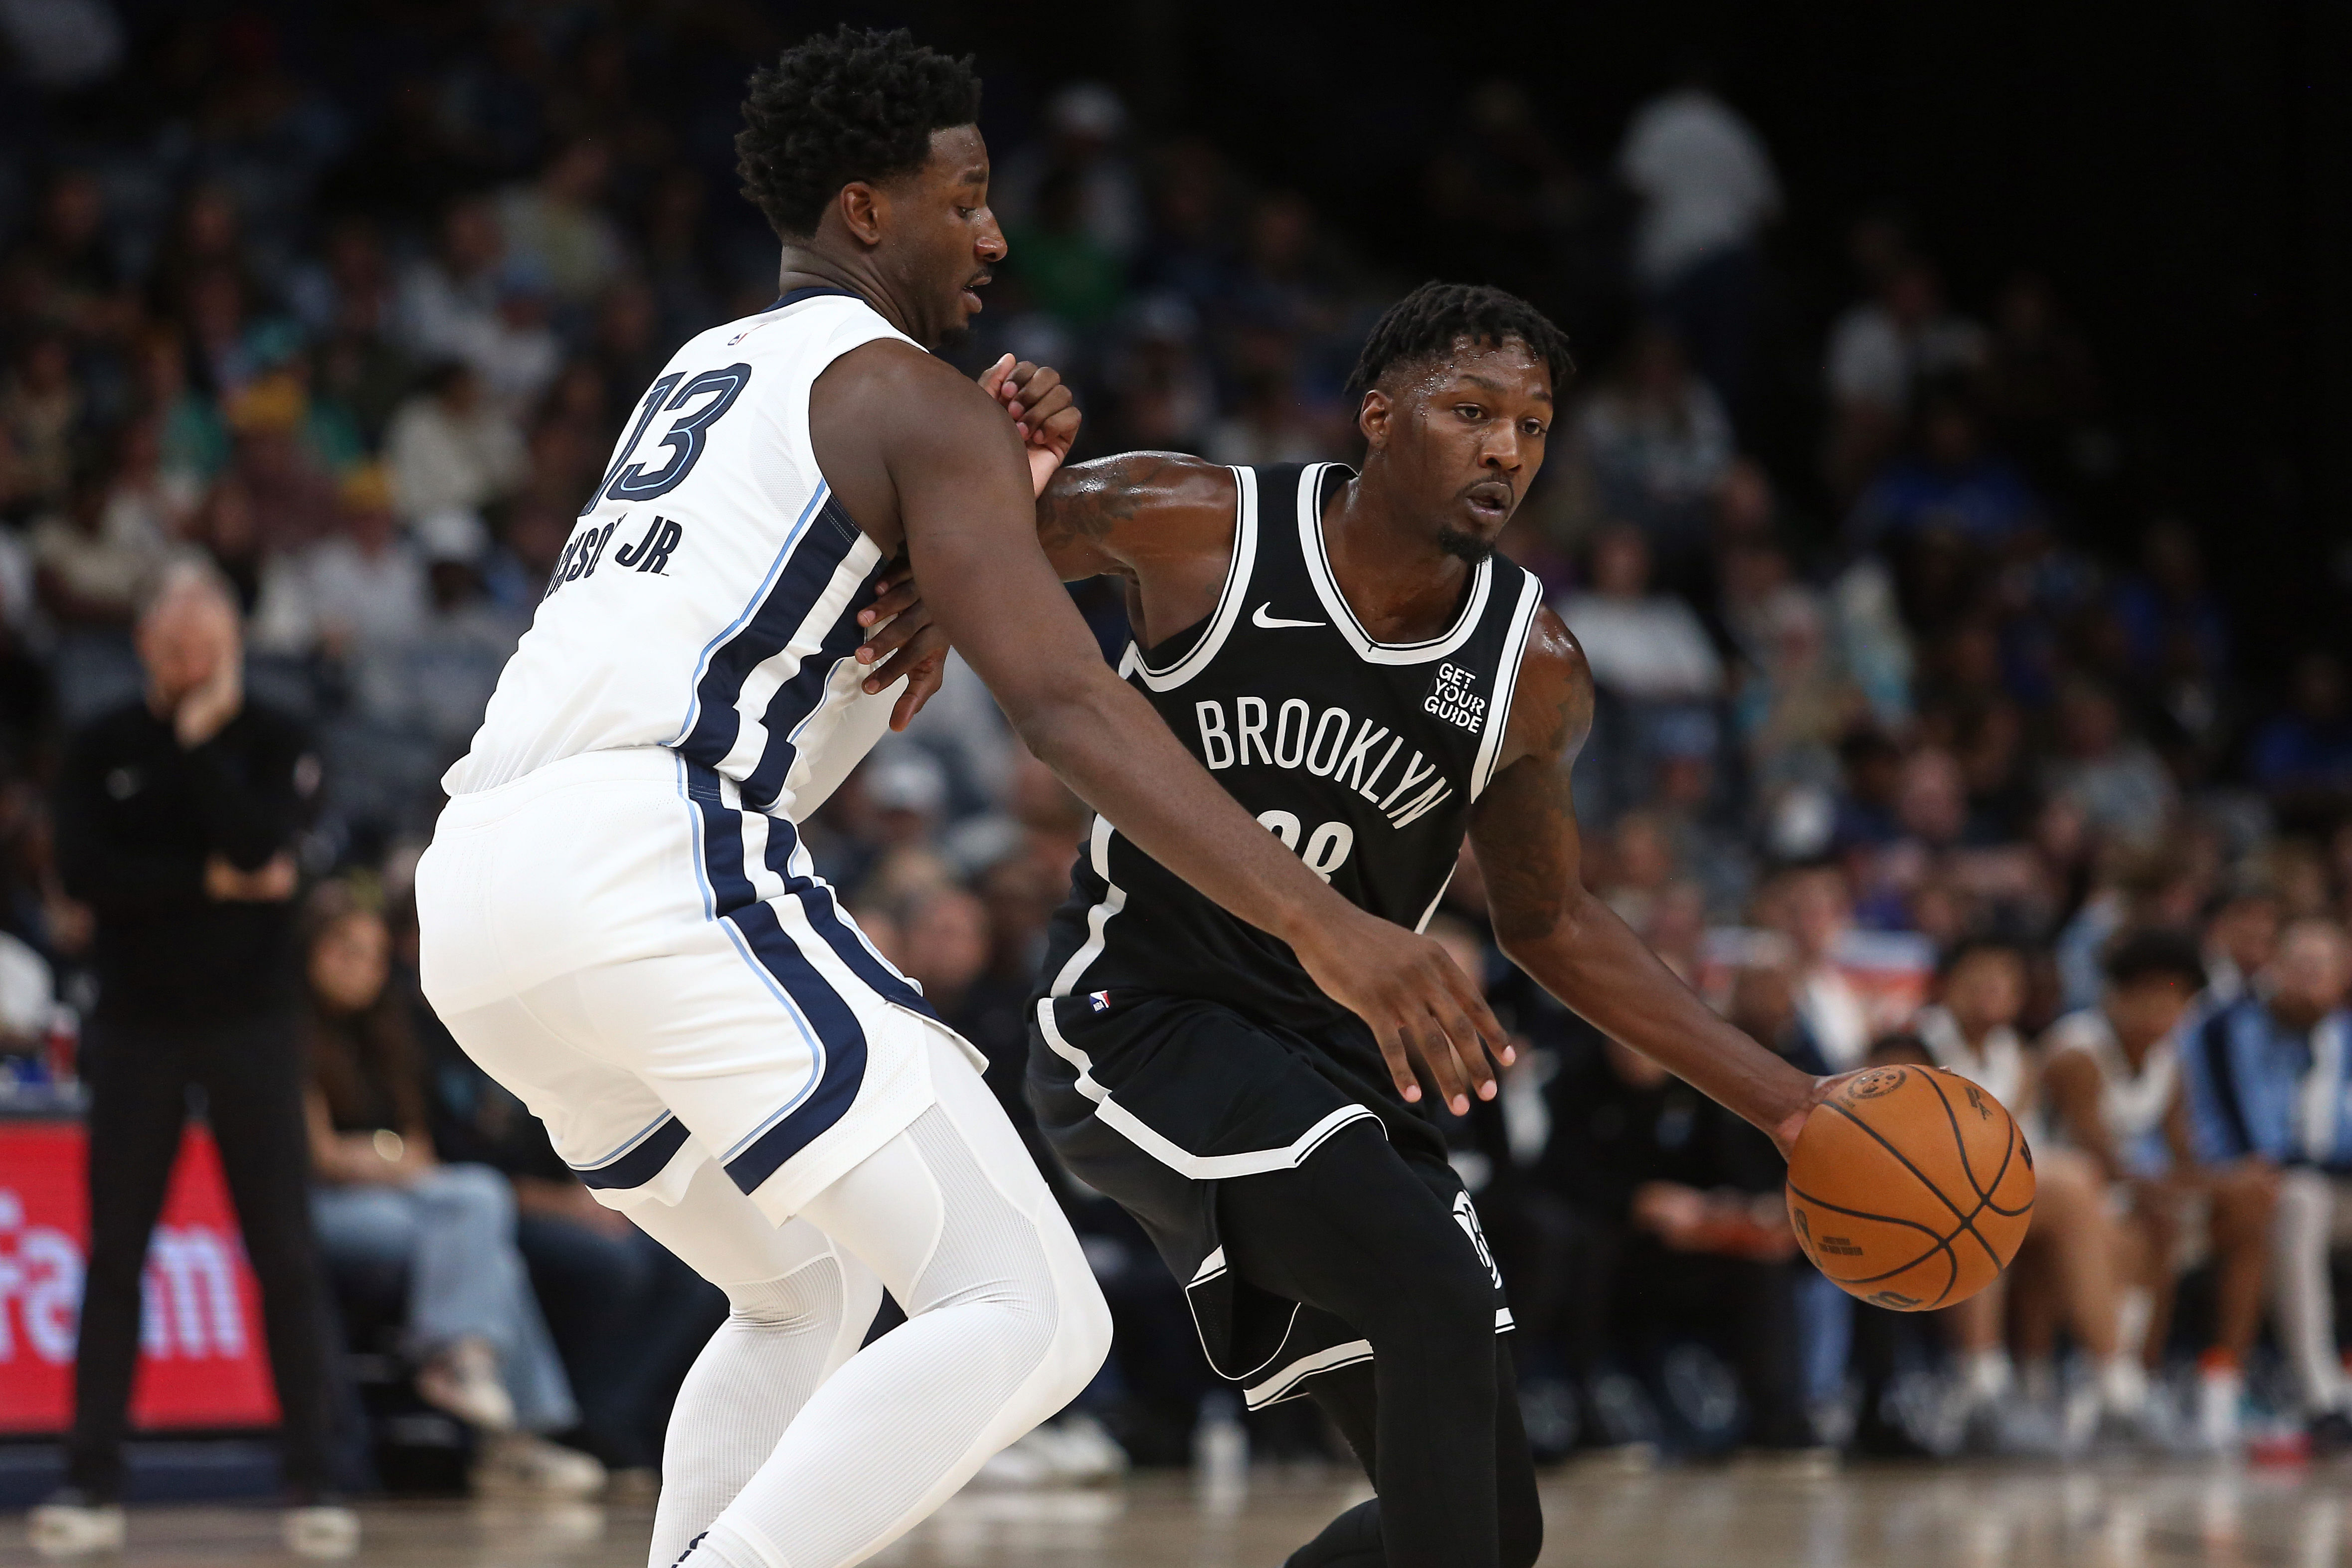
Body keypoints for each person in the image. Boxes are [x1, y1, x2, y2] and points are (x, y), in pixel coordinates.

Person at [412, 29, 1498, 1568]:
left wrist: (991, 501)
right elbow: (1063, 702)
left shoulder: (708, 365)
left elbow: (798, 646)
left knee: (805, 1286)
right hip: (649, 859)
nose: (994, 233)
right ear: (867, 211)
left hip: (481, 896)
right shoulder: (913, 401)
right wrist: (1328, 926)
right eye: (966, 195)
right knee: (1031, 1310)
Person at [901, 281, 1834, 1568]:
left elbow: (1549, 921)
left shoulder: (1532, 668)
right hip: (1141, 1021)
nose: (1505, 448)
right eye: (1470, 412)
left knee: (1480, 1530)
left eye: (1532, 424)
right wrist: (975, 515)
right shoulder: (1191, 522)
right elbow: (948, 537)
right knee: (1432, 1289)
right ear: (1379, 417)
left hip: (1333, 1072)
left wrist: (1790, 1104)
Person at [35, 560, 355, 1557]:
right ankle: (90, 1484)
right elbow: (89, 879)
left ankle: (314, 1478)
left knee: (285, 1255)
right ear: (143, 645)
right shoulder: (97, 746)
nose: (188, 661)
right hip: (136, 1024)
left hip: (252, 1023)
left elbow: (264, 851)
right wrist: (210, 878)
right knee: (116, 1256)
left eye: (206, 646)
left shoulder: (273, 736)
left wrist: (204, 745)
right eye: (172, 645)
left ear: (233, 648)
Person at [300, 889, 604, 1496]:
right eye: (345, 951)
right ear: (310, 951)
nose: (360, 967)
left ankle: (475, 1378)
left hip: (403, 1200)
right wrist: (386, 1158)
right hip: (317, 1209)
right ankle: (498, 1416)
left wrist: (380, 1158)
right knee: (475, 1214)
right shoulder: (287, 1031)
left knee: (481, 1232)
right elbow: (323, 1157)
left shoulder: (386, 1033)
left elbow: (417, 1147)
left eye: (374, 955)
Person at [1893, 937, 2146, 1447]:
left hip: (1995, 1198)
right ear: (1946, 985)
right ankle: (1988, 1384)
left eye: (2005, 978)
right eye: (1979, 974)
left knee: (2096, 1212)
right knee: (2033, 1190)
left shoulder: (2020, 1056)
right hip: (1909, 1202)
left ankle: (2093, 1384)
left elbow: (2024, 1151)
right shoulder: (1911, 1045)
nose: (1993, 987)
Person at [2040, 928, 2273, 1451]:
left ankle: (2220, 1385)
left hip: (2124, 1194)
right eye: (2147, 995)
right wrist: (2188, 1189)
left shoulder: (2170, 1061)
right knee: (2153, 1225)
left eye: (2173, 998)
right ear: (2114, 995)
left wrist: (2229, 1182)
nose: (2161, 1009)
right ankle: (2118, 1383)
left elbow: (2181, 1160)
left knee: (2252, 1204)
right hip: (2057, 1197)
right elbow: (2104, 1162)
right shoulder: (2077, 1052)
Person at [2182, 918, 2352, 1451]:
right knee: (2295, 1200)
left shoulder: (2343, 1037)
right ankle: (2321, 1393)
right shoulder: (2224, 1027)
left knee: (2306, 1195)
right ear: (2272, 969)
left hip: (2334, 1185)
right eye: (2296, 967)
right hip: (2240, 1186)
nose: (2306, 981)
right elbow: (2250, 1147)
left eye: (2319, 970)